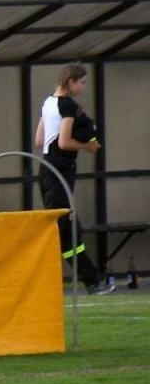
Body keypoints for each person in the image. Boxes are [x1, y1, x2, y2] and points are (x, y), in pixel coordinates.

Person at [35, 62, 113, 295]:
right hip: (60, 169)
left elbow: (40, 141)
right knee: (68, 229)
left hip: (47, 168)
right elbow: (64, 142)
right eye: (82, 82)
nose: (84, 86)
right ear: (70, 82)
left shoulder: (48, 102)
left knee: (68, 229)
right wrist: (88, 146)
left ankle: (91, 280)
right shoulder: (67, 106)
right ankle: (92, 281)